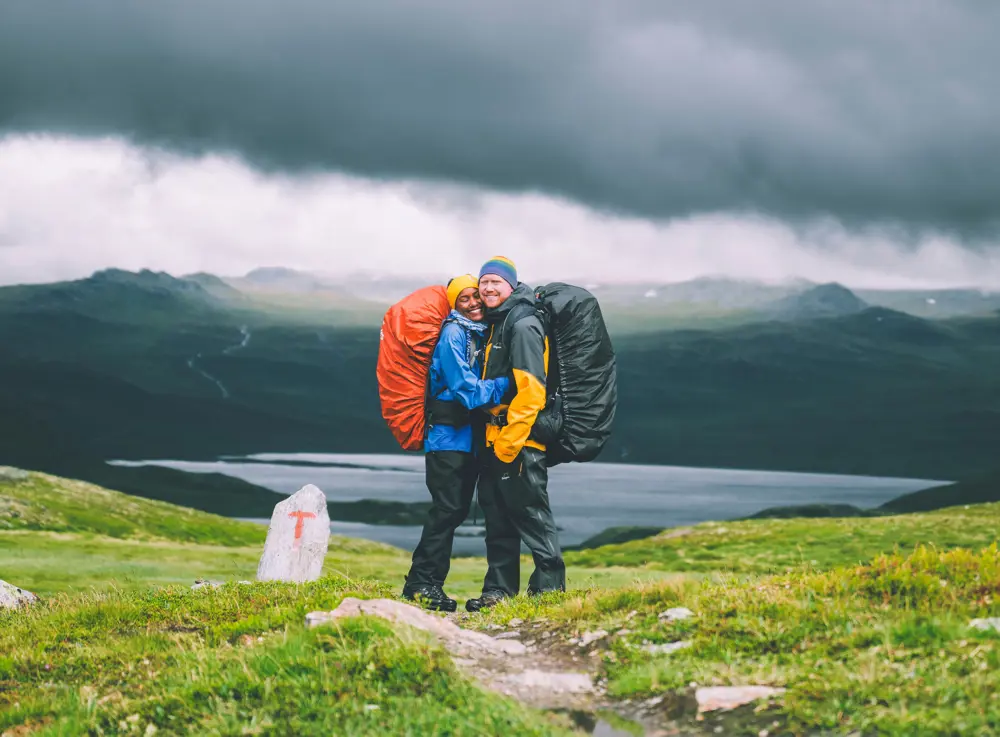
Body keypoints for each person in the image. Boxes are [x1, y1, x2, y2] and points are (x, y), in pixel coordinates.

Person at [402, 274, 510, 612]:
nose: (475, 303)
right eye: (464, 299)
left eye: (475, 296)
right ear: (454, 304)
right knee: (447, 510)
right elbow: (467, 391)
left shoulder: (477, 332)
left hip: (465, 440)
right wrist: (511, 383)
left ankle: (428, 584)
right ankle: (421, 585)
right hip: (447, 439)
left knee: (453, 510)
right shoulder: (452, 334)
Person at [466, 257, 566, 612]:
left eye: (496, 282)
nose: (488, 289)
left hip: (520, 442)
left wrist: (510, 441)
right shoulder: (499, 322)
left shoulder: (522, 325)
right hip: (496, 441)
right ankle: (499, 593)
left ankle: (549, 594)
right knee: (498, 520)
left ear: (511, 285)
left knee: (532, 518)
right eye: (484, 282)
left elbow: (532, 391)